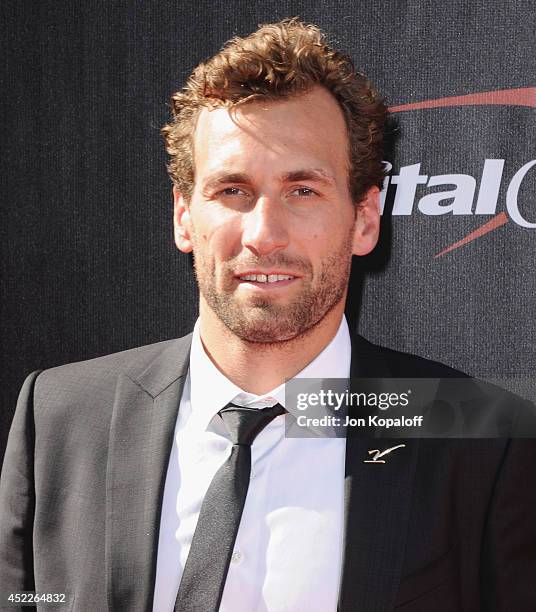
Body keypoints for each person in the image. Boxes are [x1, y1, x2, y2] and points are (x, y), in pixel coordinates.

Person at [1, 18, 535, 612]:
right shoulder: (62, 414)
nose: (263, 233)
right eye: (232, 190)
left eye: (302, 190)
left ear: (363, 219)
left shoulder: (481, 433)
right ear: (183, 215)